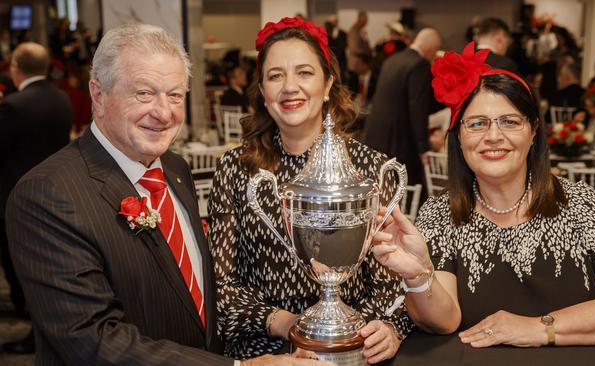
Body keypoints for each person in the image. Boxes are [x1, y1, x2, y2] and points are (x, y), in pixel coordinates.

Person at [4, 23, 327, 366]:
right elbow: (93, 342)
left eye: (175, 95)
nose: (164, 112)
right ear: (98, 95)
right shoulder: (47, 195)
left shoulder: (174, 168)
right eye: (144, 93)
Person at [371, 42, 595, 347]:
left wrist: (540, 328)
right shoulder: (441, 212)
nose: (493, 136)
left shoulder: (578, 203)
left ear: (533, 132)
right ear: (459, 137)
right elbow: (443, 321)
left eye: (510, 121)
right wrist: (419, 275)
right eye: (477, 124)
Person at [209, 17, 411, 364]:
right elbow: (221, 285)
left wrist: (387, 328)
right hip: (265, 352)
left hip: (350, 350)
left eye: (304, 72)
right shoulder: (235, 168)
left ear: (328, 83)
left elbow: (391, 284)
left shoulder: (371, 170)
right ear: (262, 91)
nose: (290, 87)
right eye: (275, 75)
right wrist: (287, 324)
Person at [0, 42, 73, 354]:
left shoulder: (14, 105)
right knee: (48, 265)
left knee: (19, 264)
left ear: (16, 68)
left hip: (15, 196)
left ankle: (34, 327)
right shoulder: (63, 99)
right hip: (58, 193)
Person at [363, 28, 442, 198]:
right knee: (411, 194)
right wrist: (423, 147)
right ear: (430, 49)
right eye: (435, 52)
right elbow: (417, 107)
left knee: (382, 191)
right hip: (398, 140)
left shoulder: (393, 59)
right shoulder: (419, 64)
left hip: (376, 137)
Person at [347, 11, 372, 75]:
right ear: (360, 19)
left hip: (360, 65)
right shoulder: (353, 31)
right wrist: (366, 53)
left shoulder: (361, 31)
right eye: (365, 21)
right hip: (355, 65)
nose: (366, 23)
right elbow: (353, 48)